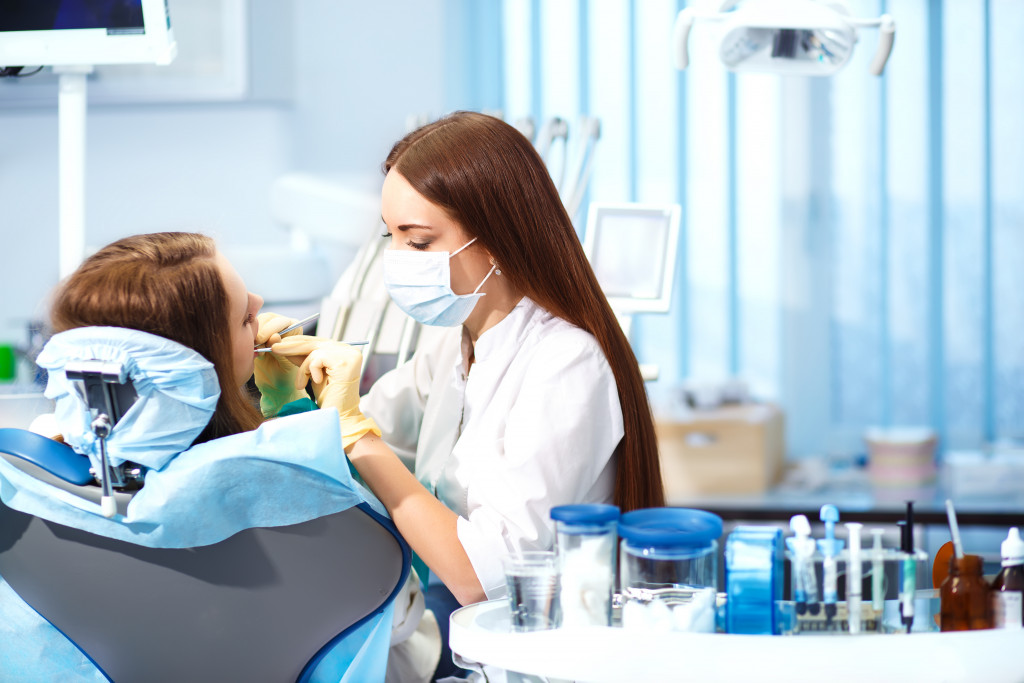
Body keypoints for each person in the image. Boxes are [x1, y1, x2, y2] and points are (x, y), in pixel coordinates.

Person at [273, 111, 665, 676]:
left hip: (533, 650)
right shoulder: (456, 340)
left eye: (420, 241)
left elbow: (483, 575)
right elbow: (372, 425)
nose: (399, 261)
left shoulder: (566, 362)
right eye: (393, 238)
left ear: (498, 237)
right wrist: (298, 398)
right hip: (459, 631)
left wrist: (358, 440)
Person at [6, 232, 438, 682]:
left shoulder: (25, 488)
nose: (260, 300)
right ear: (206, 362)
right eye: (244, 317)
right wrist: (296, 413)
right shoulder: (314, 500)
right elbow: (396, 616)